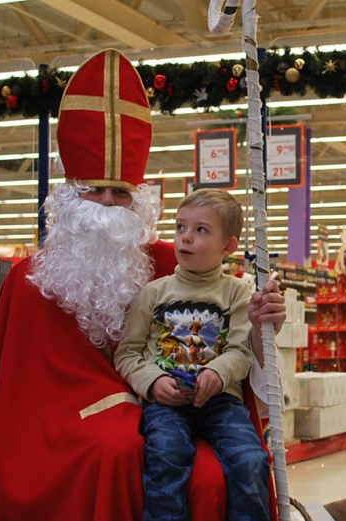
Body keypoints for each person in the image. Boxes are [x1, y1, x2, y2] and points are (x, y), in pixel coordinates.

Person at [0, 48, 285, 521]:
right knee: (115, 450)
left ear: (140, 198)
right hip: (66, 427)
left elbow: (227, 341)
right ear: (70, 194)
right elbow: (15, 400)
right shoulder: (29, 280)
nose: (109, 204)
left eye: (121, 192)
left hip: (184, 409)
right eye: (95, 189)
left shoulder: (170, 262)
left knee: (218, 475)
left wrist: (260, 326)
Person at [115, 188, 272, 521]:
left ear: (228, 246)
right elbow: (127, 354)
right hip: (166, 404)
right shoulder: (153, 292)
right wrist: (153, 382)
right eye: (180, 227)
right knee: (165, 455)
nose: (185, 238)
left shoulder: (238, 292)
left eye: (201, 230)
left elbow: (241, 351)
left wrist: (217, 373)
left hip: (221, 403)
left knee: (251, 460)